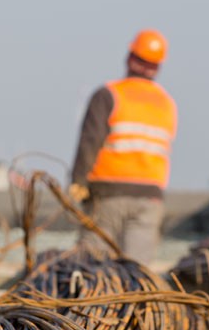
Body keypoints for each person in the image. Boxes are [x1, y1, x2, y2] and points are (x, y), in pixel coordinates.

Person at [69, 29, 177, 265]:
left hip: (107, 195)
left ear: (130, 56)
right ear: (157, 67)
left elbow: (90, 140)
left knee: (93, 266)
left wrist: (78, 180)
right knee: (137, 272)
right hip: (149, 199)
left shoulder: (109, 95)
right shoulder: (166, 103)